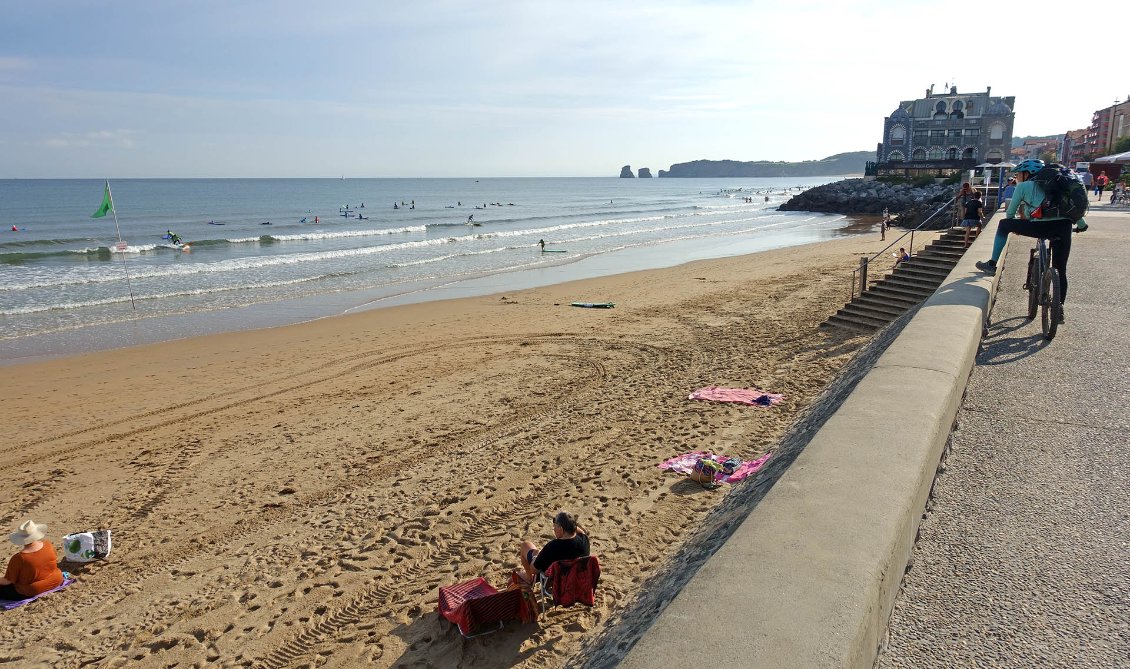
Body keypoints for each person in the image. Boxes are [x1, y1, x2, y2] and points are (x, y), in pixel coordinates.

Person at [975, 159, 1084, 323]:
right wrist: (1081, 226)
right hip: (1063, 227)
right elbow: (1075, 213)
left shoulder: (1023, 187)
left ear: (1027, 174)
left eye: (1019, 174)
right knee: (1061, 270)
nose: (1017, 177)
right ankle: (1059, 308)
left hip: (1038, 227)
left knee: (1004, 225)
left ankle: (991, 264)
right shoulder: (1060, 185)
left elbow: (1010, 213)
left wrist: (1017, 225)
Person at [519, 511, 589, 584]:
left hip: (558, 582)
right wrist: (569, 524)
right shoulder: (584, 540)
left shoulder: (552, 546)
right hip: (578, 580)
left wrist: (535, 556)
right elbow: (581, 531)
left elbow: (534, 570)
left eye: (555, 526)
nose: (554, 529)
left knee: (526, 545)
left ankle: (529, 579)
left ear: (561, 529)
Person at [0, 520, 64, 600]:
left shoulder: (19, 558)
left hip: (32, 590)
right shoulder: (48, 545)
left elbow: (8, 581)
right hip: (57, 580)